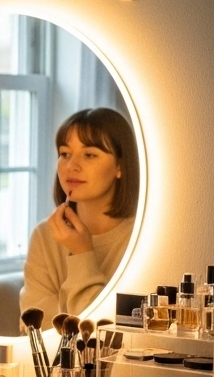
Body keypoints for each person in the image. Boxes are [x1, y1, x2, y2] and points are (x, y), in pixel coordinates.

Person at [20, 107, 139, 328]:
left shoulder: (142, 239)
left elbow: (103, 335)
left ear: (120, 166)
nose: (71, 166)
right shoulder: (44, 236)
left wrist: (82, 253)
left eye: (90, 154)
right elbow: (39, 330)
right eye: (65, 153)